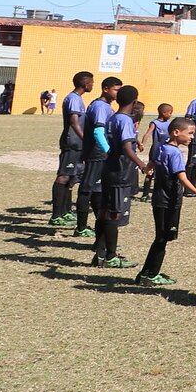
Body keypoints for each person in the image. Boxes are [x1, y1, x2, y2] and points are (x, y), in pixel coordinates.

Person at [136, 117, 196, 287]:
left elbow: (151, 164)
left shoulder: (162, 147)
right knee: (162, 238)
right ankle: (150, 275)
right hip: (169, 201)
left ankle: (146, 273)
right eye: (189, 133)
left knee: (162, 237)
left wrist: (148, 169)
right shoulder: (175, 153)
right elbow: (182, 178)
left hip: (159, 199)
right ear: (176, 132)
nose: (192, 137)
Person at [90, 85, 146, 270]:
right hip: (120, 171)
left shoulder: (113, 117)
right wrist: (142, 164)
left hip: (109, 168)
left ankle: (99, 254)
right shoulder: (125, 120)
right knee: (114, 213)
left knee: (104, 212)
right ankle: (111, 256)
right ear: (134, 102)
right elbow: (127, 148)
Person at [70, 76, 123, 238]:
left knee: (98, 190)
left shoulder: (104, 105)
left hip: (101, 154)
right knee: (87, 188)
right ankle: (81, 227)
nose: (118, 93)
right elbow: (98, 131)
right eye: (116, 90)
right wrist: (109, 150)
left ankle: (100, 228)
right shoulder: (100, 106)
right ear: (106, 89)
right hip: (97, 153)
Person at [51, 70, 94, 228]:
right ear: (85, 84)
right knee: (63, 176)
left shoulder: (78, 99)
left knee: (70, 178)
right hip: (72, 143)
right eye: (91, 82)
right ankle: (56, 215)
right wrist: (85, 138)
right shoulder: (73, 99)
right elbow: (74, 122)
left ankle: (65, 211)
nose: (92, 85)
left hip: (77, 144)